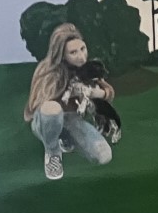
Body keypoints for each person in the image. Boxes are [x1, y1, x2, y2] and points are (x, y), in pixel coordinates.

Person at [24, 23, 115, 181]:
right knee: (52, 108)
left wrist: (99, 93)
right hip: (46, 120)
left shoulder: (85, 68)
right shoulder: (47, 70)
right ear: (61, 54)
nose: (81, 56)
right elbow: (39, 104)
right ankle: (52, 152)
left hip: (72, 120)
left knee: (104, 155)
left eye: (83, 49)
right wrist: (70, 92)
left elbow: (108, 91)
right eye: (73, 52)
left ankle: (67, 139)